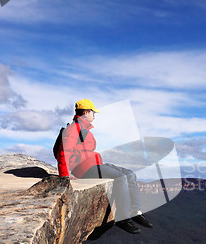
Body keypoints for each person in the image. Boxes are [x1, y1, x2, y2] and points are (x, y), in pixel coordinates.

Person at [57, 99, 152, 234]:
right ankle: (122, 219)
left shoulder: (82, 128)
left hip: (94, 163)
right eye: (93, 112)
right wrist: (64, 175)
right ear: (86, 112)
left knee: (130, 174)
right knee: (120, 177)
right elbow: (64, 151)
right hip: (84, 168)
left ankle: (136, 211)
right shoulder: (74, 129)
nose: (94, 116)